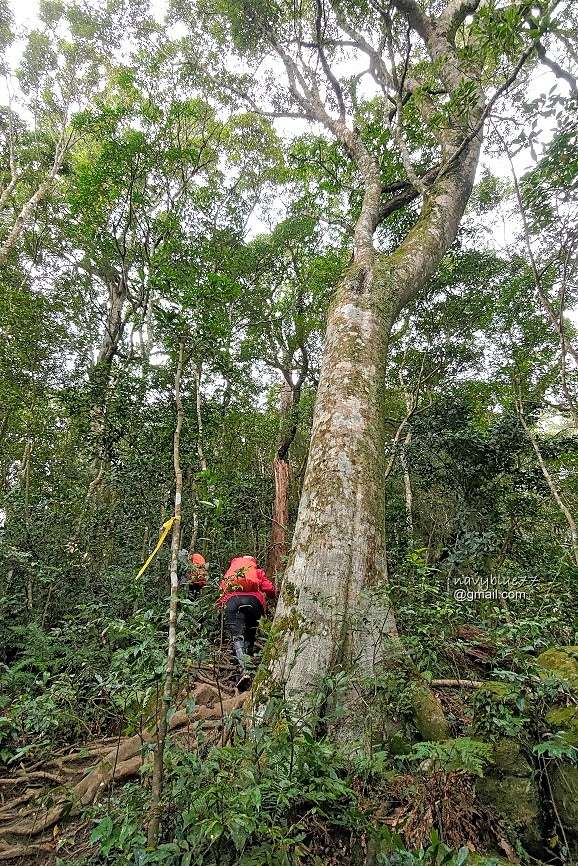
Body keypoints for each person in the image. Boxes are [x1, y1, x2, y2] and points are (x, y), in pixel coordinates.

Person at [217, 555, 275, 691]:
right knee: (250, 636)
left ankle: (243, 671)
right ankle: (247, 668)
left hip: (233, 601)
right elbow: (270, 590)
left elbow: (221, 591)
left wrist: (222, 607)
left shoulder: (231, 573)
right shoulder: (257, 572)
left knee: (237, 636)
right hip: (254, 603)